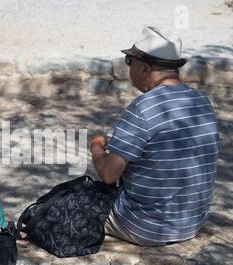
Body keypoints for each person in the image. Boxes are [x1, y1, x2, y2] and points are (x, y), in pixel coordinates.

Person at [90, 27, 220, 246]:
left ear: (144, 68)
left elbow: (108, 174)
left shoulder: (143, 108)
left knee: (75, 201)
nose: (128, 68)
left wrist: (95, 147)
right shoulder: (202, 102)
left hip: (146, 227)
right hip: (191, 222)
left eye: (129, 62)